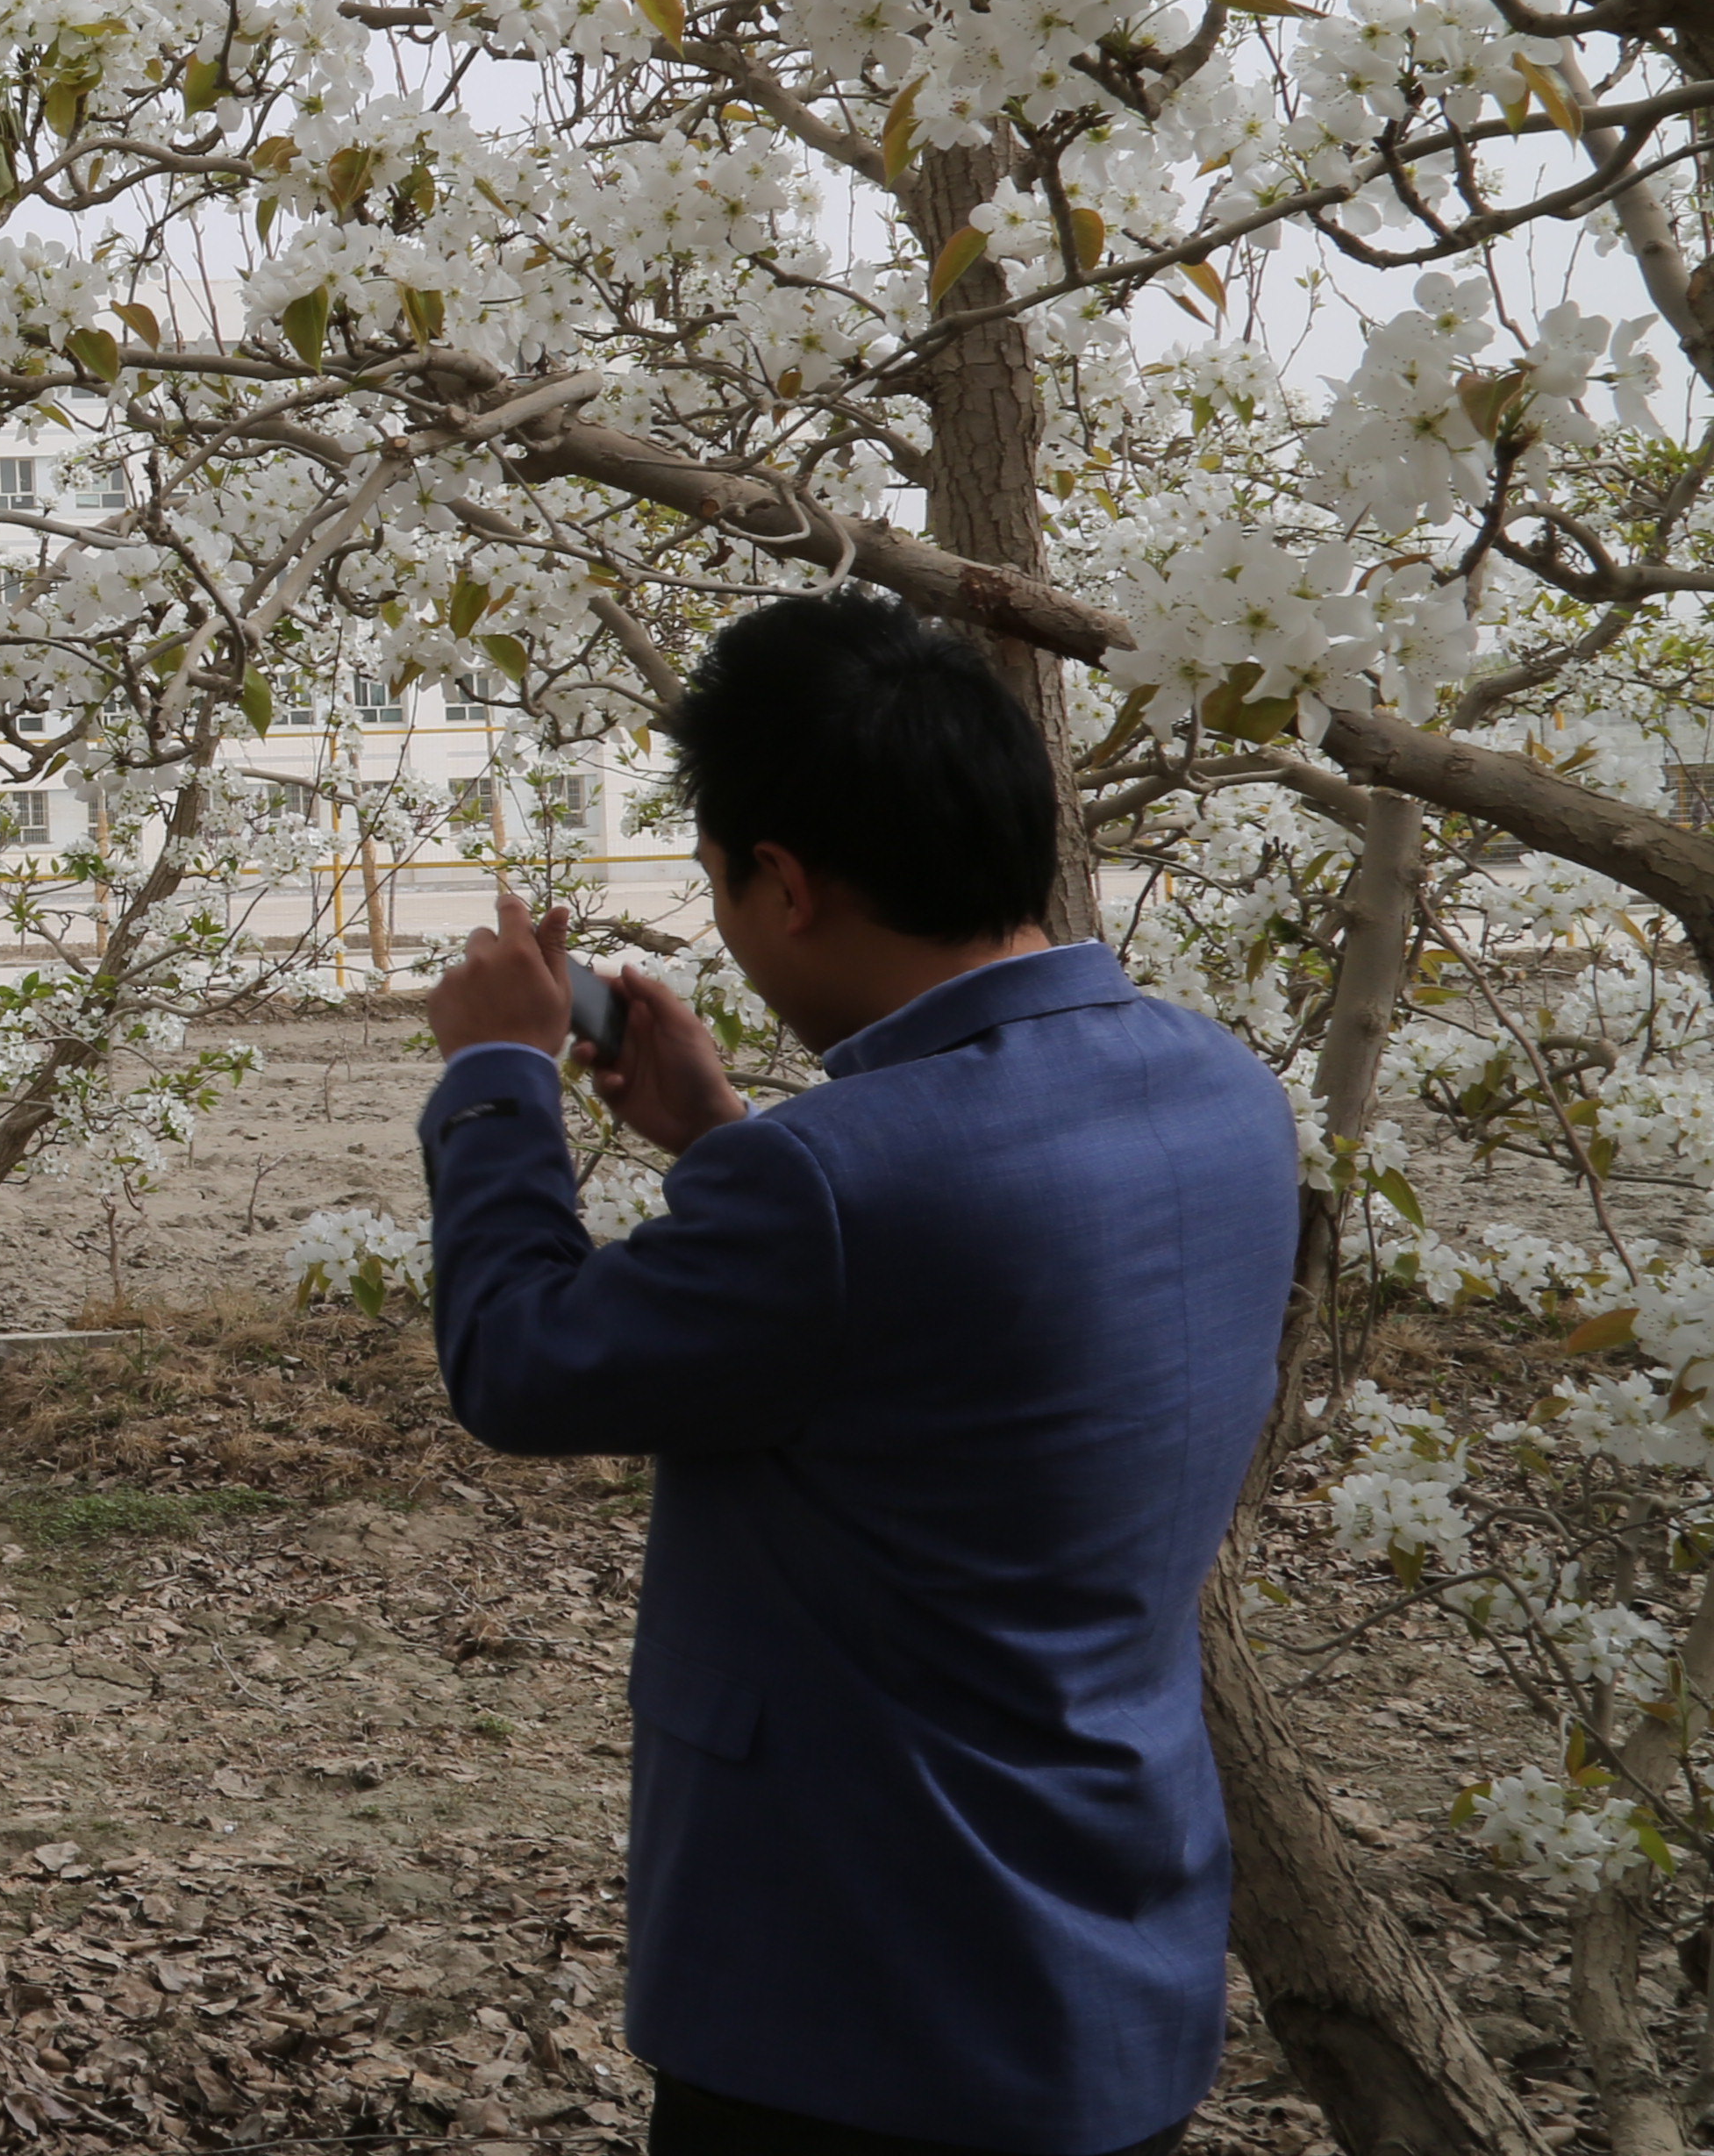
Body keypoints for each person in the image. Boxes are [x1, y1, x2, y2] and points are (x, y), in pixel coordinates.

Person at [418, 589, 1299, 2156]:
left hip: (861, 2000)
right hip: (1117, 1956)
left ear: (784, 881)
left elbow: (521, 1366)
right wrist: (726, 1138)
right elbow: (950, 1332)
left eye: (725, 888)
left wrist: (496, 1080)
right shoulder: (1218, 1086)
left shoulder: (837, 1188)